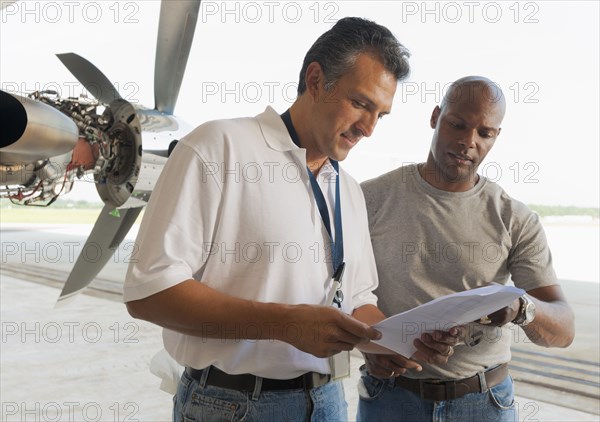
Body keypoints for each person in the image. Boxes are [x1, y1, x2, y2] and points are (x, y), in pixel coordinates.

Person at [123, 17, 414, 422]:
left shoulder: (346, 188)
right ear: (315, 80)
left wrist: (388, 341)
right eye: (361, 103)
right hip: (231, 404)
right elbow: (149, 292)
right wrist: (286, 324)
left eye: (380, 114)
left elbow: (358, 298)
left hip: (329, 402)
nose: (368, 128)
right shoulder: (217, 147)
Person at [358, 76, 575, 421]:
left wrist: (519, 308)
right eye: (457, 124)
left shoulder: (514, 218)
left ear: (496, 137)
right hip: (390, 398)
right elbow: (330, 294)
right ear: (435, 117)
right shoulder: (368, 200)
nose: (467, 142)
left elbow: (563, 330)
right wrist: (368, 345)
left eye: (484, 133)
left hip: (484, 403)